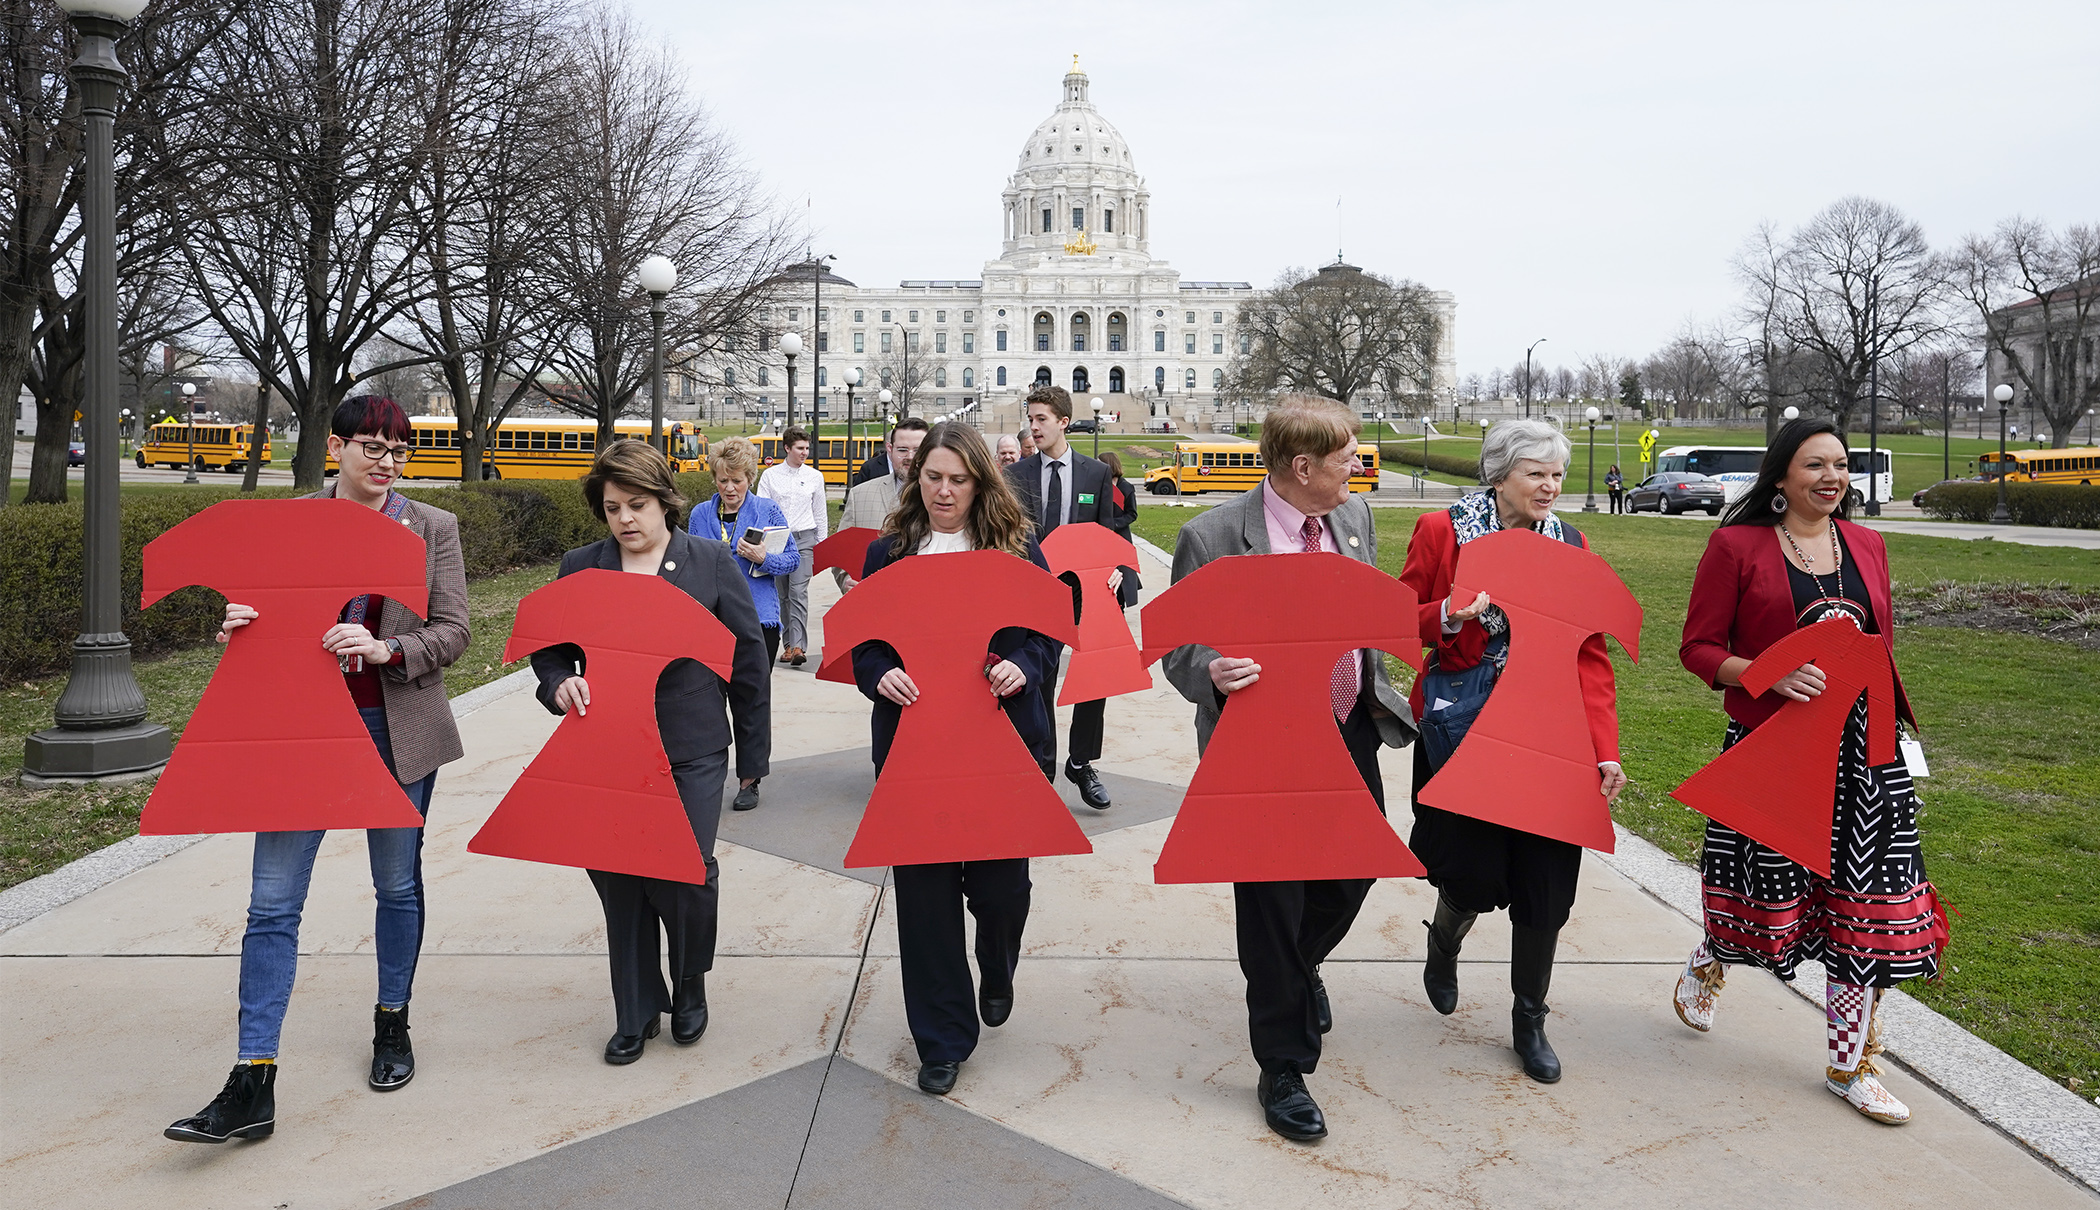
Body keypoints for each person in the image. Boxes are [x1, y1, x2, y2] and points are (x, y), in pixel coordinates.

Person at [165, 395, 470, 1145]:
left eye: (400, 450)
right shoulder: (288, 521)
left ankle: (391, 1022)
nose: (387, 462)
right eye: (373, 446)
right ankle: (253, 1078)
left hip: (394, 727)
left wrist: (388, 650)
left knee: (396, 884)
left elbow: (456, 628)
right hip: (299, 733)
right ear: (336, 445)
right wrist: (236, 624)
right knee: (272, 903)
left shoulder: (433, 527)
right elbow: (256, 613)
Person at [1160, 395, 1416, 1143]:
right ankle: (1283, 1064)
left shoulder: (1354, 521)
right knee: (1272, 899)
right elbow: (1178, 647)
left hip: (1348, 730)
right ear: (1302, 467)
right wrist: (1213, 669)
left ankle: (1292, 972)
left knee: (1349, 877)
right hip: (1257, 742)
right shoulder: (1210, 535)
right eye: (1348, 457)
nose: (1359, 467)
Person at [1675, 418, 1943, 1125]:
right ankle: (1713, 954)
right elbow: (1699, 648)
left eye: (1841, 465)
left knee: (1868, 907)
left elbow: (1879, 645)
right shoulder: (1738, 546)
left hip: (1866, 754)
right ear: (1782, 476)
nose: (1832, 477)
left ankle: (1851, 1065)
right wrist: (1767, 674)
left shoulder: (1870, 545)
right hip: (1775, 746)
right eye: (1815, 464)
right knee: (1765, 896)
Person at [1398, 418, 1626, 1086]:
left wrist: (1603, 751)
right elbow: (1398, 618)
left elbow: (1591, 655)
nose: (1550, 486)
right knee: (1468, 873)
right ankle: (1444, 944)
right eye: (1537, 474)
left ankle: (1530, 1019)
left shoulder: (1572, 543)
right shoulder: (1444, 532)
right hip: (1465, 730)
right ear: (1500, 473)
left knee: (1545, 883)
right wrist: (1450, 613)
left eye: (1557, 474)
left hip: (1551, 739)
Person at [531, 440, 771, 1065]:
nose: (625, 520)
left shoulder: (711, 562)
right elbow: (550, 648)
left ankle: (689, 980)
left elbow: (748, 661)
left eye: (637, 505)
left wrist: (754, 754)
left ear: (665, 501)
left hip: (690, 746)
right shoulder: (581, 566)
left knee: (683, 871)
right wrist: (558, 683)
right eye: (612, 509)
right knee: (620, 878)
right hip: (606, 748)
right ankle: (635, 1009)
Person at [851, 422, 1061, 1098]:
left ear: (980, 482)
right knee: (925, 898)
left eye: (957, 479)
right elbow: (866, 643)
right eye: (932, 477)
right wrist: (878, 672)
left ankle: (996, 965)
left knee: (1002, 892)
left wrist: (1020, 667)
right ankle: (942, 1038)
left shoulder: (1017, 551)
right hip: (915, 749)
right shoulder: (891, 554)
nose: (943, 490)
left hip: (998, 745)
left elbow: (1043, 638)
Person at [1005, 384, 1126, 810]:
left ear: (1063, 422)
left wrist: (1116, 568)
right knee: (1039, 680)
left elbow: (1108, 531)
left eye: (1041, 419)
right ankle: (1044, 769)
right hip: (1035, 597)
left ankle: (1082, 761)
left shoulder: (1095, 473)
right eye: (1030, 419)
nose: (1033, 427)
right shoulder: (1015, 476)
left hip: (1086, 594)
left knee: (1094, 682)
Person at [690, 436, 797, 811]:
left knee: (750, 701)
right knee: (706, 702)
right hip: (711, 623)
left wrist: (764, 558)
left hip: (757, 622)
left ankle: (750, 779)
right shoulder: (701, 514)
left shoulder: (767, 511)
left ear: (749, 477)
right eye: (723, 481)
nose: (730, 488)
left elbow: (792, 561)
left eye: (737, 480)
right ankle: (706, 772)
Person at [833, 418, 930, 592]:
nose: (910, 457)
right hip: (872, 605)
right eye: (902, 450)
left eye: (918, 450)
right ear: (889, 449)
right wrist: (847, 583)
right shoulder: (860, 496)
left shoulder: (945, 498)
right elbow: (841, 554)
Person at [756, 427, 826, 667]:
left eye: (807, 448)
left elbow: (820, 512)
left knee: (798, 592)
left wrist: (822, 542)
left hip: (805, 539)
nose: (805, 453)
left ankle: (798, 646)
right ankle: (787, 645)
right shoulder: (770, 476)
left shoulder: (815, 477)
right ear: (787, 448)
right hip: (778, 541)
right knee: (782, 594)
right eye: (800, 448)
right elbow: (763, 509)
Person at [1098, 450, 1143, 609]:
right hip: (1102, 537)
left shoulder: (1126, 487)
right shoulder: (1099, 485)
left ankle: (1121, 604)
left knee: (1123, 573)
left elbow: (1132, 514)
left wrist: (1114, 524)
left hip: (1121, 537)